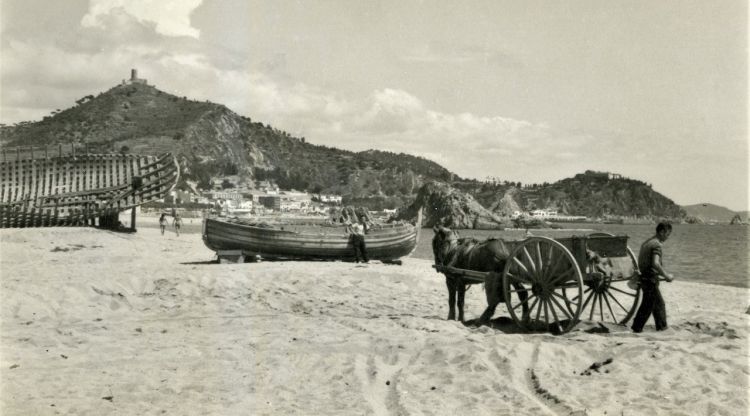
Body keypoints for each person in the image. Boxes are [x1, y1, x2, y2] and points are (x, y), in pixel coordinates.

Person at [631, 221, 675, 333]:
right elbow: (655, 263)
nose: (667, 237)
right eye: (667, 234)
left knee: (653, 304)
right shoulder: (657, 244)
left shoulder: (647, 243)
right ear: (661, 232)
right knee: (653, 305)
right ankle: (659, 329)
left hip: (644, 277)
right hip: (650, 279)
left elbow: (645, 262)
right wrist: (666, 275)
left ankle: (656, 327)